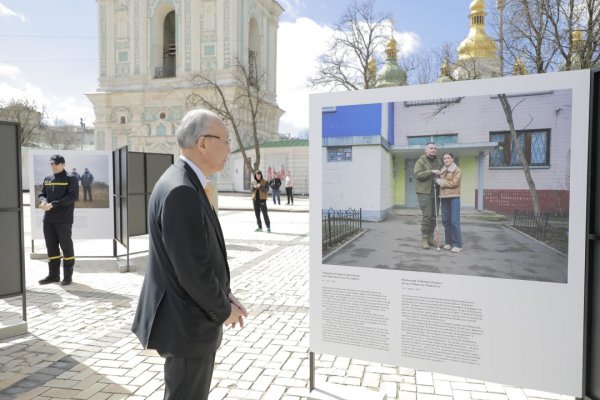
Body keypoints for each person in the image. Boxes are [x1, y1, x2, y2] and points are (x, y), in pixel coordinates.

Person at [131, 109, 248, 400]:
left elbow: (195, 256)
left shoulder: (181, 180)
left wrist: (225, 296)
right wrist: (223, 310)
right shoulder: (181, 190)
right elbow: (192, 271)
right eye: (225, 140)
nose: (229, 148)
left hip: (187, 320)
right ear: (203, 143)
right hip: (187, 325)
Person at [38, 154, 79, 286]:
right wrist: (43, 202)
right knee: (51, 247)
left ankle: (67, 277)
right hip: (48, 220)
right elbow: (42, 194)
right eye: (51, 164)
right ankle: (54, 275)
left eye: (56, 163)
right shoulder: (48, 178)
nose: (53, 166)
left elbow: (72, 197)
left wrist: (53, 204)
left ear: (63, 164)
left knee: (66, 247)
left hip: (64, 219)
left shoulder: (71, 178)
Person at [414, 142, 442, 250]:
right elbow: (417, 175)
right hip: (425, 193)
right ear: (426, 150)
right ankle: (424, 238)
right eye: (431, 148)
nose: (433, 150)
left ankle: (431, 238)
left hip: (436, 191)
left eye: (435, 148)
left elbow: (440, 173)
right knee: (427, 216)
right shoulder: (420, 161)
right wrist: (431, 172)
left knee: (434, 216)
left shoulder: (438, 161)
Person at [436, 153, 463, 253]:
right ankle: (449, 242)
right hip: (444, 197)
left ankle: (457, 244)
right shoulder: (442, 171)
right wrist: (437, 178)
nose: (446, 160)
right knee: (446, 221)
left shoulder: (457, 170)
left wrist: (441, 182)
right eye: (444, 158)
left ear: (452, 159)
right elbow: (440, 180)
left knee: (454, 221)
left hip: (454, 197)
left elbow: (455, 183)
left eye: (448, 158)